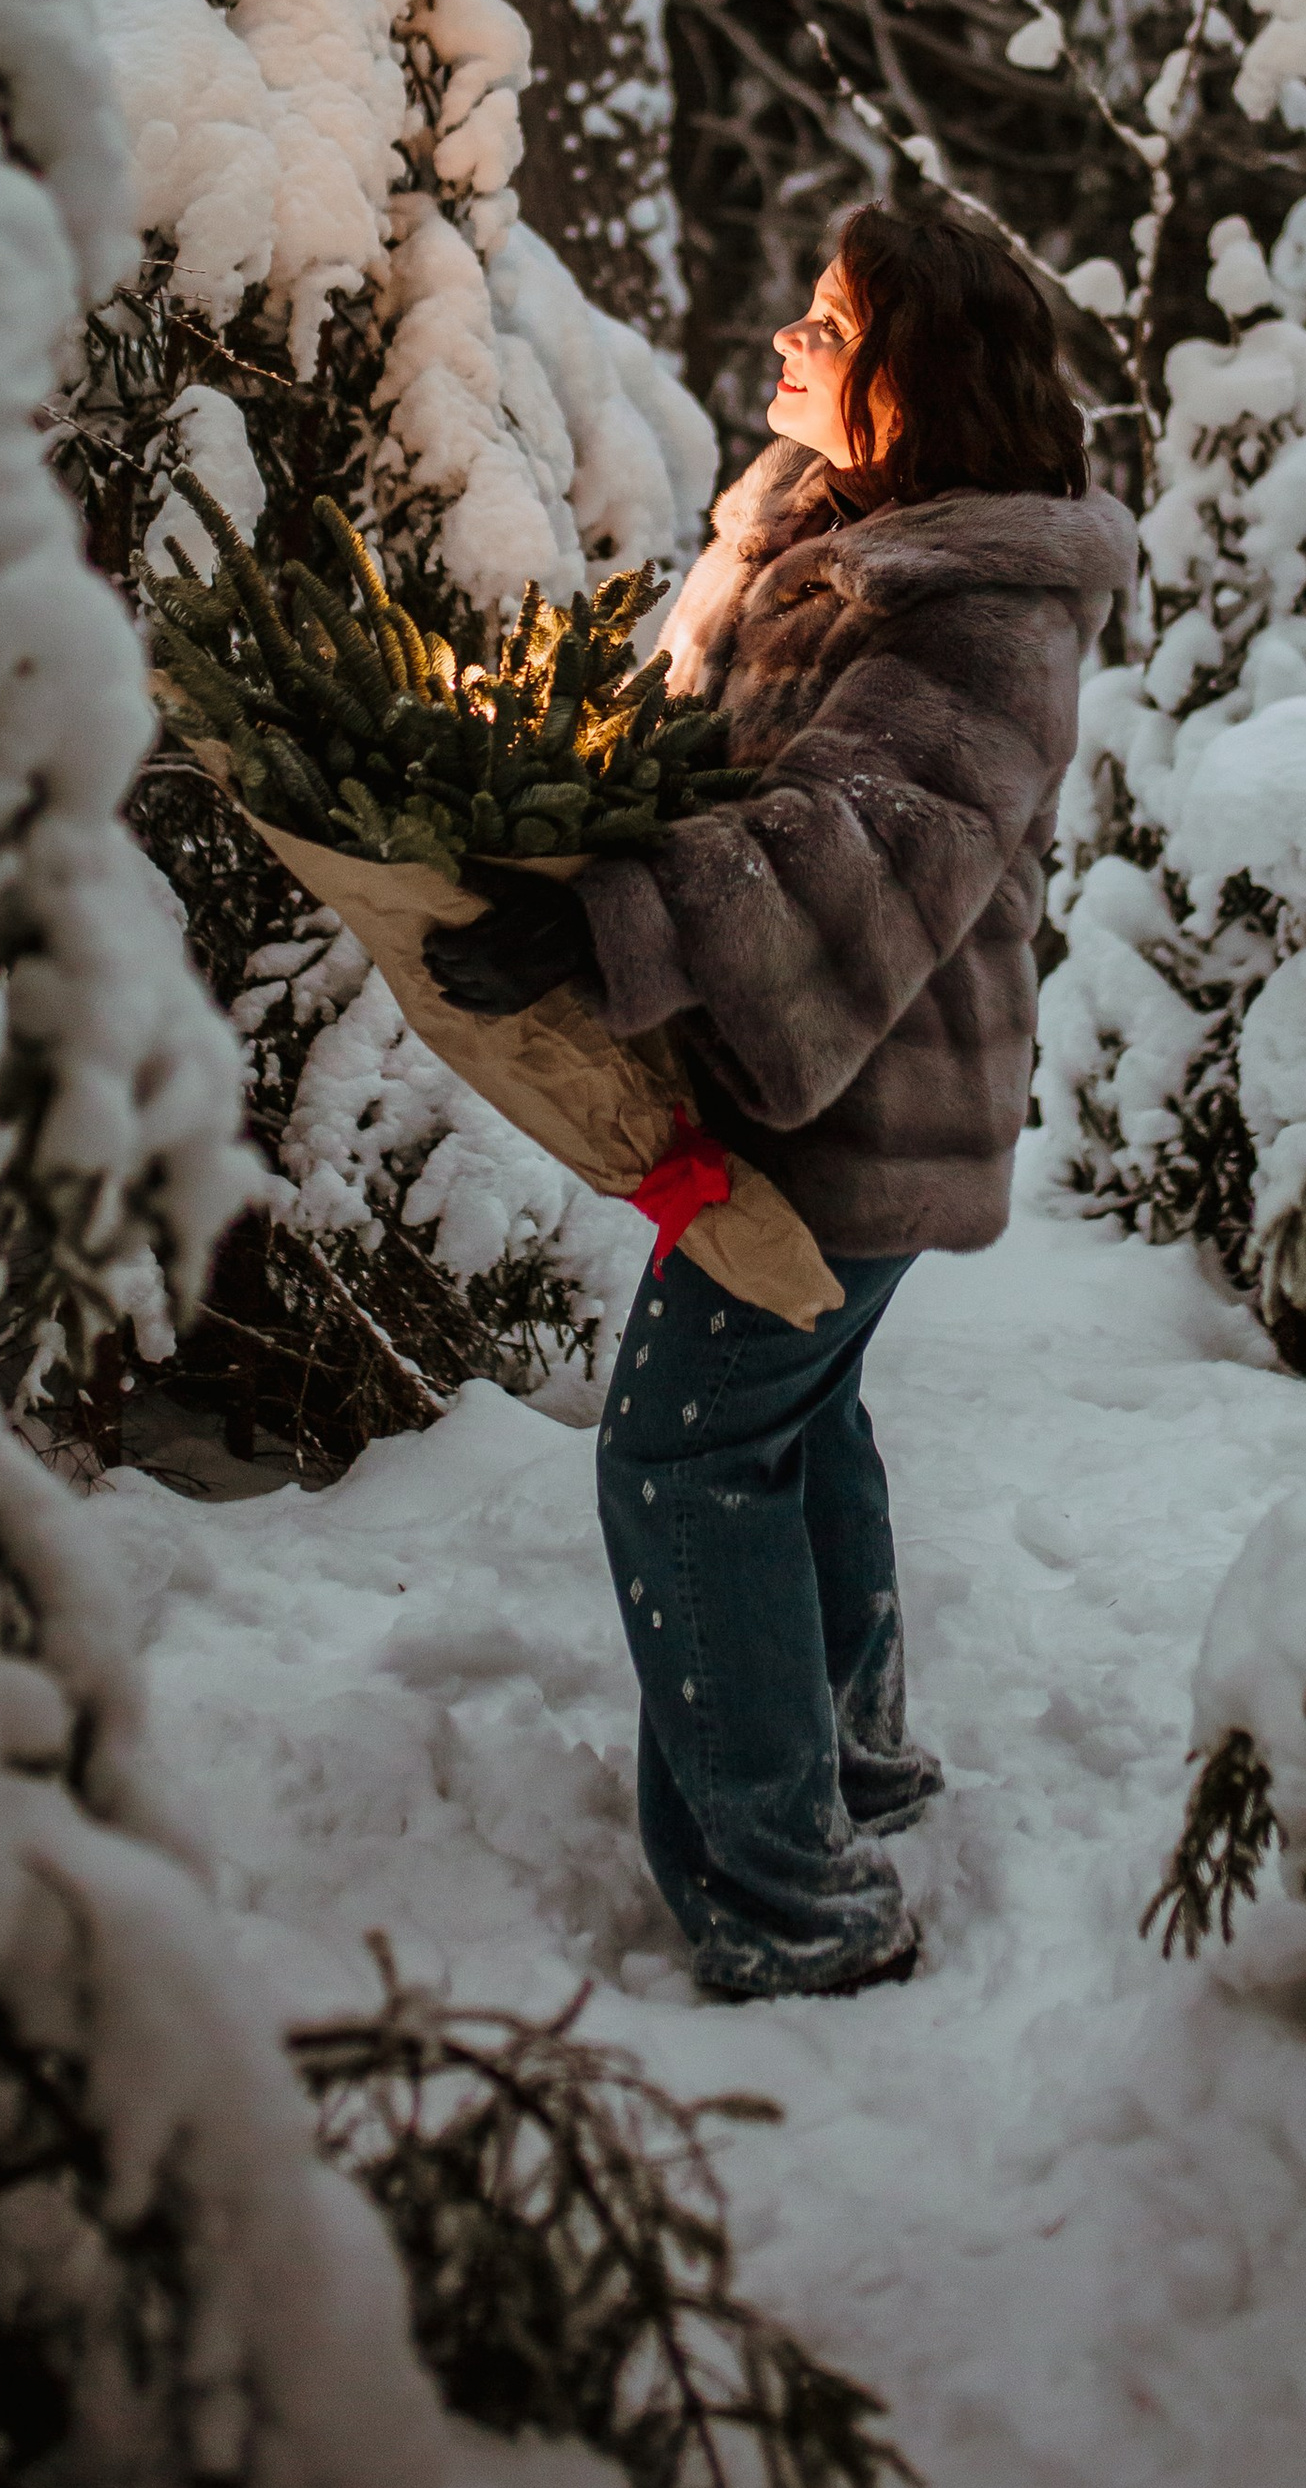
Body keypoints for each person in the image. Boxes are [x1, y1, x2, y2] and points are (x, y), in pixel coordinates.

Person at [424, 201, 1135, 1999]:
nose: (786, 346)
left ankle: (787, 1897)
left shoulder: (977, 606)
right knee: (792, 1423)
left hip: (856, 1117)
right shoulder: (828, 529)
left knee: (681, 1456)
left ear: (917, 377)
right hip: (802, 1093)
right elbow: (706, 752)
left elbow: (850, 838)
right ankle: (853, 1765)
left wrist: (604, 922)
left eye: (829, 324)